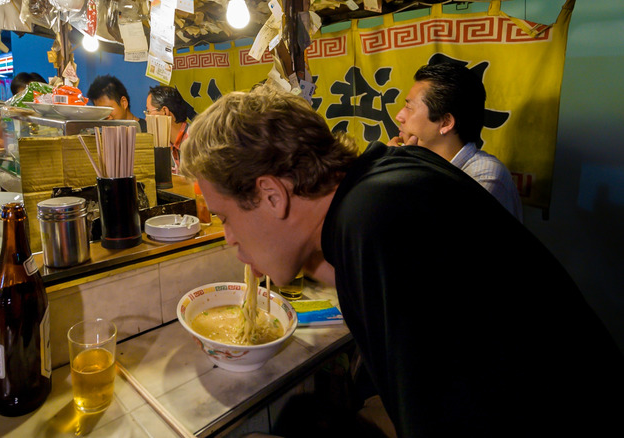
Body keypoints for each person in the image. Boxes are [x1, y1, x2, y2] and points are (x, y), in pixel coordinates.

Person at [179, 86, 624, 437]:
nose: (229, 239)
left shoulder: (381, 220)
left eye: (226, 218)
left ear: (272, 195)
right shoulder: (381, 182)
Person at [388, 62, 523, 221]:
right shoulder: (422, 162)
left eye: (409, 107)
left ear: (445, 123)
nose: (399, 116)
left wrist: (396, 172)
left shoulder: (486, 176)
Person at [146, 85, 189, 169]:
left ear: (164, 112)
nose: (146, 119)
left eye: (148, 112)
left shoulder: (197, 142)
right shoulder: (162, 144)